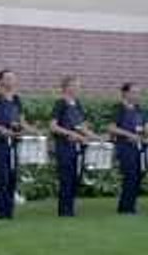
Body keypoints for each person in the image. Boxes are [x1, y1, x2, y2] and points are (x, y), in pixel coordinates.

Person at [0, 69, 42, 220]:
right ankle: (1, 213)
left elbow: (21, 122)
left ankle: (10, 212)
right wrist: (1, 129)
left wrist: (34, 131)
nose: (11, 81)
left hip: (15, 143)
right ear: (0, 81)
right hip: (0, 143)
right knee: (2, 178)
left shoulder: (17, 100)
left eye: (13, 78)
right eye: (8, 78)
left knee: (13, 177)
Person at [49, 76, 103, 217]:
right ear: (66, 87)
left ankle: (70, 209)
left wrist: (97, 138)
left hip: (78, 147)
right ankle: (64, 211)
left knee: (75, 178)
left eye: (78, 86)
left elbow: (83, 127)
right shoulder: (60, 103)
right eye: (74, 85)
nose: (77, 88)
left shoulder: (78, 104)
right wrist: (71, 134)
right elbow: (53, 126)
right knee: (66, 178)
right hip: (64, 146)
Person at [107, 83, 146, 215]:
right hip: (125, 148)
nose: (137, 95)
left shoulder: (139, 109)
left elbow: (144, 127)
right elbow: (111, 128)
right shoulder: (119, 108)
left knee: (138, 177)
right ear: (125, 93)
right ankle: (125, 208)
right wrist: (129, 135)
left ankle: (130, 206)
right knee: (130, 176)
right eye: (134, 92)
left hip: (139, 148)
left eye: (138, 92)